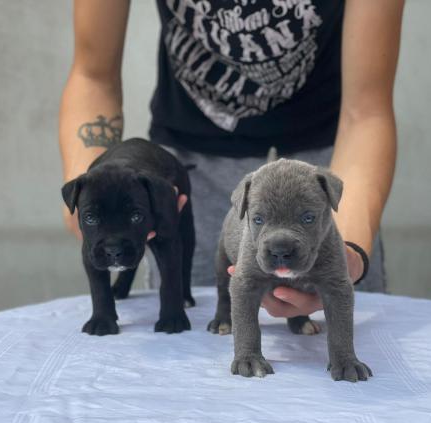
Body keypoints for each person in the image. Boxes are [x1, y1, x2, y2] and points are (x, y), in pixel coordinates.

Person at [60, 0, 403, 319]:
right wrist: (91, 190)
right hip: (192, 170)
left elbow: (366, 111)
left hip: (329, 161)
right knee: (190, 336)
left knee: (341, 339)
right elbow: (94, 75)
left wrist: (351, 251)